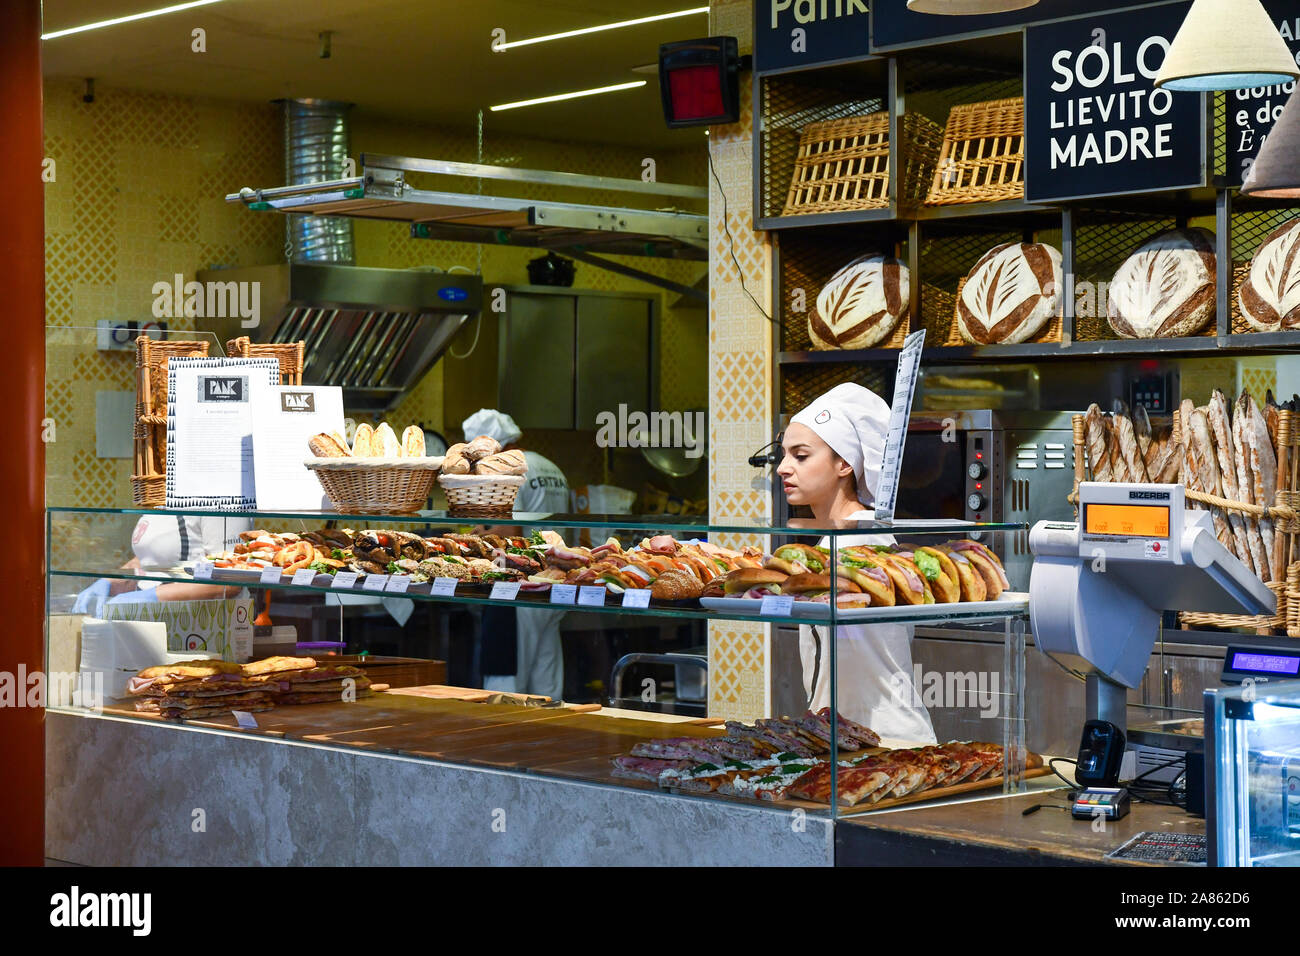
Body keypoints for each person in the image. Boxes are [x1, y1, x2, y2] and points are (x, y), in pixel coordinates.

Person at [777, 383, 936, 744]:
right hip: (846, 738)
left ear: (844, 464)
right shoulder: (834, 539)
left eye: (800, 456)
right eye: (783, 455)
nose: (783, 469)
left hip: (885, 741)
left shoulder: (863, 544)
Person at [463, 408, 569, 702]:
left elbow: (504, 538)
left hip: (520, 591)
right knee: (546, 686)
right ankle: (547, 741)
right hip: (555, 586)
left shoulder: (509, 472)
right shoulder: (551, 467)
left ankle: (502, 743)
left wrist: (473, 542)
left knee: (506, 687)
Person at [73, 514, 250, 617]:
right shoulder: (158, 497)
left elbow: (230, 579)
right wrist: (112, 582)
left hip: (201, 625)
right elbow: (147, 560)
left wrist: (152, 598)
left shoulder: (219, 496)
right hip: (150, 624)